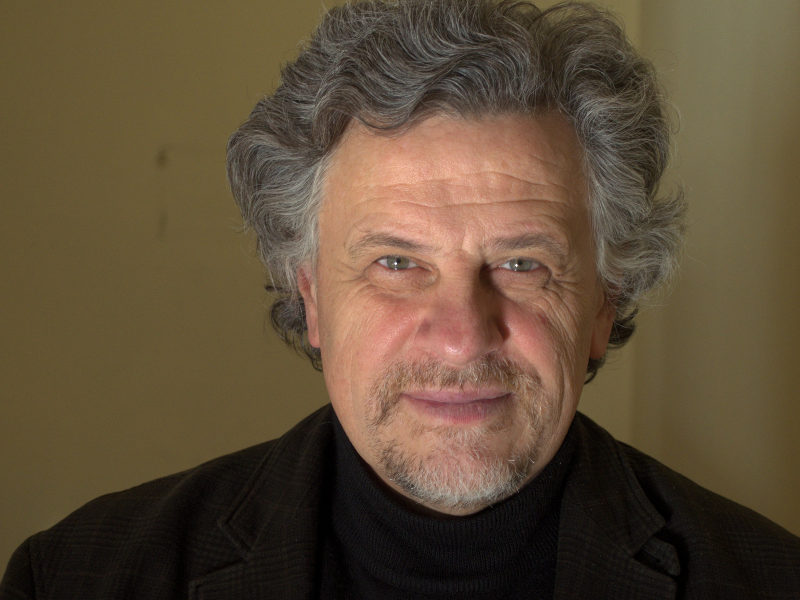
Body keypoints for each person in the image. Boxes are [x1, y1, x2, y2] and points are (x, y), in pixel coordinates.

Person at [2, 0, 799, 598]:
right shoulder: (76, 577)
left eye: (521, 264)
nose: (460, 337)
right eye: (395, 262)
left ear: (603, 302)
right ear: (311, 295)